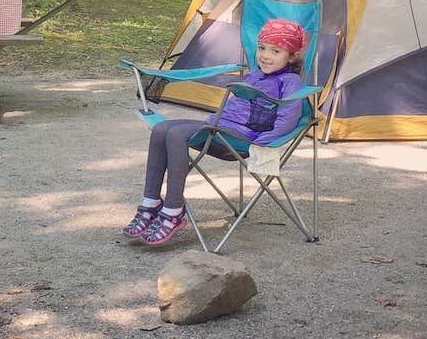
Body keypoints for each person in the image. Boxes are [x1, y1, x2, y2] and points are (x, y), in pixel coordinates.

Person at [122, 17, 307, 246]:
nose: (265, 56)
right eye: (261, 48)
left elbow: (288, 117)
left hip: (242, 139)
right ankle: (150, 203)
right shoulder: (255, 75)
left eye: (275, 51)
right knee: (160, 129)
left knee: (177, 134)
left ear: (292, 56)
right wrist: (211, 122)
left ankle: (173, 209)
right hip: (219, 128)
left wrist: (264, 143)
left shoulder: (290, 82)